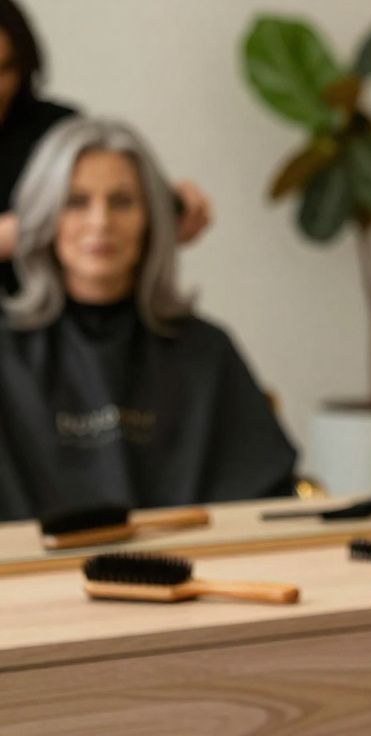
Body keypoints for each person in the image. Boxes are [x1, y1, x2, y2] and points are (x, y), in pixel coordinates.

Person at [0, 117, 296, 521]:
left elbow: (265, 500)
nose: (101, 222)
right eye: (76, 202)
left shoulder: (205, 352)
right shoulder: (7, 352)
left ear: (151, 219)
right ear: (44, 217)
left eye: (122, 202)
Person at [0, 0, 209, 290]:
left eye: (5, 69)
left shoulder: (57, 127)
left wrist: (163, 205)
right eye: (77, 203)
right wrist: (23, 231)